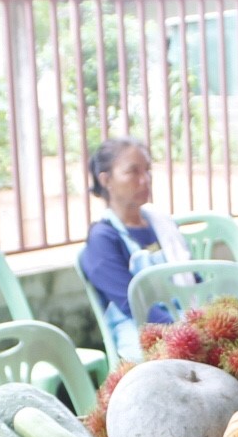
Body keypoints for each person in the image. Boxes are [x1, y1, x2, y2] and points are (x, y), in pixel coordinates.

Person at [78, 137, 191, 361]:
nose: (145, 180)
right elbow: (134, 304)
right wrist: (184, 333)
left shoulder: (162, 225)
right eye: (133, 172)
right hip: (143, 334)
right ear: (106, 180)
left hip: (185, 321)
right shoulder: (103, 239)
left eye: (148, 171)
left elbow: (193, 278)